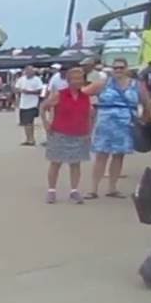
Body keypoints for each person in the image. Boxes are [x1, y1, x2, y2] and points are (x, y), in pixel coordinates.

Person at [84, 58, 142, 199]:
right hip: (106, 123)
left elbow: (147, 101)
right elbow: (82, 93)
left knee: (118, 156)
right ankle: (93, 189)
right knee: (101, 155)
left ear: (127, 68)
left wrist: (146, 119)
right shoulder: (104, 83)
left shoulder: (136, 85)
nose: (118, 70)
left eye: (121, 67)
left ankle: (112, 188)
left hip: (125, 124)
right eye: (115, 68)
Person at [40, 66, 93, 203]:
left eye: (80, 78)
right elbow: (43, 107)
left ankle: (74, 191)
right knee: (56, 162)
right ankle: (51, 190)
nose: (77, 81)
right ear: (68, 80)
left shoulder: (86, 97)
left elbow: (91, 115)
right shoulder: (60, 94)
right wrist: (46, 123)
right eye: (74, 79)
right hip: (59, 132)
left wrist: (90, 131)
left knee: (75, 163)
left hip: (80, 133)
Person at [15, 66, 44, 146]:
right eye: (27, 71)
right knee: (25, 123)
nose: (28, 73)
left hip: (32, 104)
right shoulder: (21, 79)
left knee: (29, 122)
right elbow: (16, 88)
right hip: (23, 104)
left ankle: (31, 139)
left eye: (30, 71)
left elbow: (40, 91)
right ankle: (28, 138)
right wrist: (19, 91)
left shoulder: (37, 80)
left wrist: (29, 92)